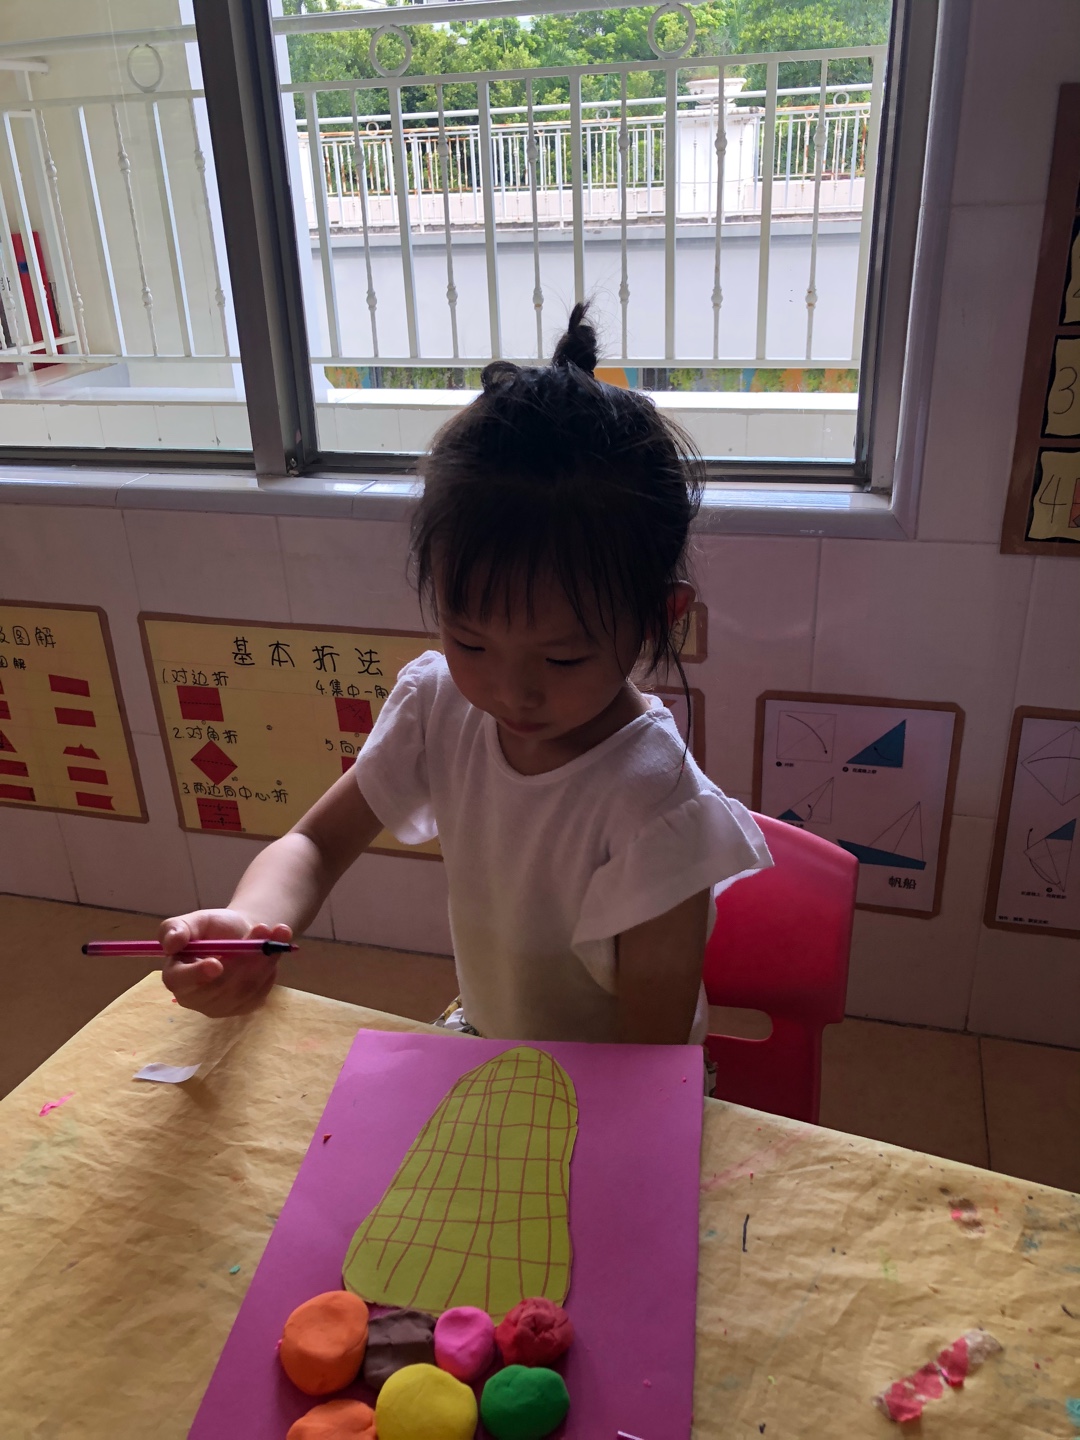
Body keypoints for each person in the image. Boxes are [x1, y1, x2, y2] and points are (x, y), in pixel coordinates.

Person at [159, 304, 770, 1058]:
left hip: (619, 1082)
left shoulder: (656, 806)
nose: (512, 692)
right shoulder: (438, 703)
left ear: (658, 619)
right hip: (490, 1041)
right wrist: (248, 926)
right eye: (470, 641)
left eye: (562, 659)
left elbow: (650, 1057)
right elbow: (315, 844)